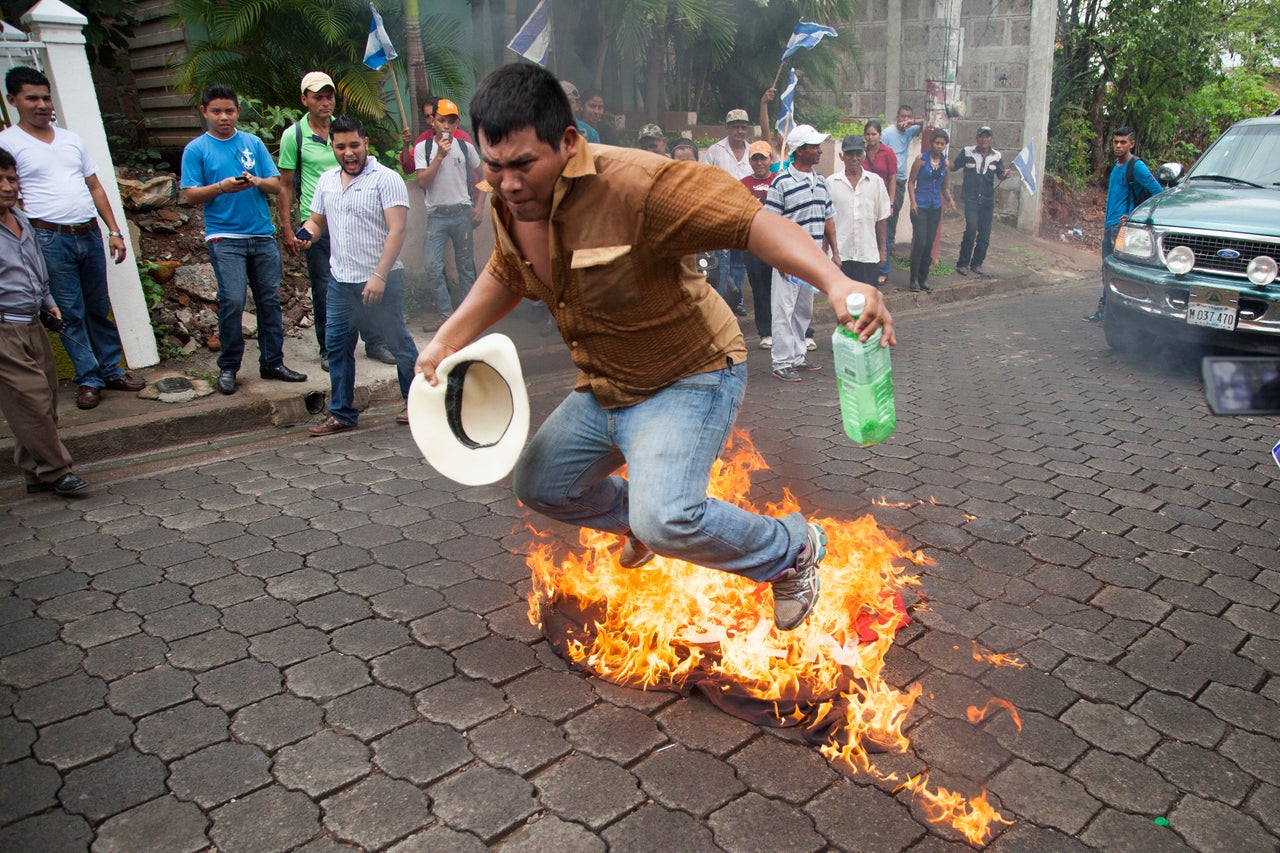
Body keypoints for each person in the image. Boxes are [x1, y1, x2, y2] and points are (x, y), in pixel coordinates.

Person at [414, 63, 894, 631]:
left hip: (690, 376)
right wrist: (446, 340)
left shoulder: (637, 185)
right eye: (495, 167)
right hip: (605, 386)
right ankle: (636, 522)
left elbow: (753, 223)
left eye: (523, 164)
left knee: (668, 517)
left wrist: (836, 282)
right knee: (541, 484)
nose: (509, 182)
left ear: (569, 142)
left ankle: (791, 550)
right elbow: (505, 271)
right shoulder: (509, 202)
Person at [0, 66, 145, 411]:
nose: (41, 104)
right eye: (31, 98)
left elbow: (94, 186)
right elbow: (11, 196)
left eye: (46, 97)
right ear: (13, 100)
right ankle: (89, 378)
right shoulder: (8, 143)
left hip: (88, 233)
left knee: (98, 306)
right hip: (48, 237)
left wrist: (114, 231)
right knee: (71, 312)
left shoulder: (71, 140)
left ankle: (111, 369)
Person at [180, 83, 307, 395]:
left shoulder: (252, 143)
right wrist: (222, 186)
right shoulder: (196, 149)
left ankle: (273, 362)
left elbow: (277, 186)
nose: (224, 117)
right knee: (233, 301)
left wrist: (256, 181)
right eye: (216, 112)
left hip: (261, 234)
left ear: (238, 111)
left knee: (268, 301)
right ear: (204, 112)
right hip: (224, 237)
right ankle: (228, 367)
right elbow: (190, 194)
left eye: (229, 111)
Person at [298, 116, 417, 437]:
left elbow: (397, 229)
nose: (348, 152)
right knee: (337, 346)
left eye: (354, 145)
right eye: (340, 146)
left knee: (398, 343)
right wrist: (305, 234)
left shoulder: (386, 179)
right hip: (341, 282)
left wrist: (378, 275)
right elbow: (316, 221)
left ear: (365, 143)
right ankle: (342, 413)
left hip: (383, 279)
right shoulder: (326, 181)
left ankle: (416, 403)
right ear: (332, 147)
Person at [278, 71, 393, 374]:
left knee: (365, 280)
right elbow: (286, 184)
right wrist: (289, 227)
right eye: (317, 96)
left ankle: (375, 340)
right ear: (304, 100)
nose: (325, 102)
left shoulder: (345, 132)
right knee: (325, 287)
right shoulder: (295, 136)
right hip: (316, 222)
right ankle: (330, 347)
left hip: (353, 221)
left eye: (329, 96)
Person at [0, 148, 87, 495]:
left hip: (34, 321)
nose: (7, 187)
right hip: (4, 327)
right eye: (0, 180)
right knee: (30, 398)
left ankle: (34, 472)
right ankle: (55, 470)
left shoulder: (21, 219)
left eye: (11, 179)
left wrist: (48, 303)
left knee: (45, 399)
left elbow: (36, 269)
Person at [764, 124, 836, 383]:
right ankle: (781, 362)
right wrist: (778, 259)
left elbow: (828, 219)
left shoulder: (821, 181)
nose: (819, 151)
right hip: (788, 259)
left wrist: (834, 253)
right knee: (783, 310)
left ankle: (797, 355)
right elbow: (770, 226)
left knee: (803, 310)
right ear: (800, 151)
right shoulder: (781, 182)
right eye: (814, 147)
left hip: (813, 259)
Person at [416, 98, 487, 332]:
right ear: (433, 122)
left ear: (457, 123)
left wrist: (479, 205)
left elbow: (484, 175)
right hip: (436, 215)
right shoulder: (423, 148)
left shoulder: (465, 147)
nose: (447, 126)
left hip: (462, 213)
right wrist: (439, 157)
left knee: (466, 267)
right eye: (442, 120)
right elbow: (423, 182)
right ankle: (446, 314)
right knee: (433, 265)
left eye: (452, 121)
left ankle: (466, 317)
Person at [1086, 125, 1162, 322]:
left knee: (1117, 273)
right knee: (1107, 270)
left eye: (1123, 142)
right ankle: (1103, 311)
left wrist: (1132, 216)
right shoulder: (1116, 165)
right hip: (1109, 225)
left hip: (1120, 228)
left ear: (1132, 144)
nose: (1118, 146)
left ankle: (1114, 316)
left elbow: (1159, 194)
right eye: (1115, 142)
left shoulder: (1136, 166)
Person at [704, 109, 754, 315]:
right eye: (735, 127)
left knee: (739, 262)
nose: (739, 131)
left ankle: (738, 301)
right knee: (722, 260)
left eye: (743, 127)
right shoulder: (715, 151)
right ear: (727, 128)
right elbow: (704, 179)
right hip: (722, 214)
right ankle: (723, 302)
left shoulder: (754, 152)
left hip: (745, 216)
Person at [829, 135, 890, 287]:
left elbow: (881, 219)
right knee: (843, 305)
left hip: (867, 255)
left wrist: (883, 251)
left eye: (858, 153)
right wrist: (826, 253)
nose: (854, 158)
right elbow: (827, 222)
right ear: (842, 156)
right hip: (840, 256)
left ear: (864, 155)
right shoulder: (831, 183)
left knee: (867, 305)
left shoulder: (876, 182)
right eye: (849, 154)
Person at [952, 126, 1011, 277]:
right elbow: (954, 166)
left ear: (991, 139)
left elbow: (1000, 175)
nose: (984, 140)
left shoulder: (996, 156)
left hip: (987, 199)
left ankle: (977, 263)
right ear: (977, 138)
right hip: (970, 198)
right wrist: (945, 162)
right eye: (981, 136)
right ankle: (963, 263)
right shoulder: (967, 152)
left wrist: (1005, 174)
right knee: (971, 230)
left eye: (987, 137)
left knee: (984, 234)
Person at [881, 104, 925, 284]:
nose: (904, 120)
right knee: (882, 214)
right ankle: (883, 249)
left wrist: (912, 123)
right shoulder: (887, 133)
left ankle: (888, 247)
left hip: (900, 179)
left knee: (893, 213)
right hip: (885, 178)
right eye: (902, 117)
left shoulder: (910, 131)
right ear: (896, 116)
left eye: (908, 117)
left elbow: (927, 123)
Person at [906, 129, 954, 293]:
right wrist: (913, 202)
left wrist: (950, 200)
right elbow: (911, 182)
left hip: (935, 207)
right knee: (920, 242)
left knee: (929, 244)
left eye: (942, 144)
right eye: (936, 143)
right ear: (931, 143)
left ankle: (923, 277)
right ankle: (913, 279)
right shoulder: (921, 160)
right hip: (920, 206)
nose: (939, 146)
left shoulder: (945, 164)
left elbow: (945, 187)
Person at [741, 140, 776, 347]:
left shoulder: (780, 181)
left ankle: (782, 328)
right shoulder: (742, 184)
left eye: (763, 158)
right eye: (755, 159)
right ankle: (766, 332)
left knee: (778, 288)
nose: (759, 163)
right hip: (753, 245)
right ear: (750, 161)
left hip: (776, 244)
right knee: (760, 288)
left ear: (770, 159)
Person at [398, 95, 475, 176]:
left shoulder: (462, 137)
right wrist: (406, 145)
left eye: (434, 115)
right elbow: (409, 168)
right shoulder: (424, 138)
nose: (431, 119)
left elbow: (473, 171)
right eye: (427, 116)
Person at [861, 120, 897, 284]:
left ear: (880, 135)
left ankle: (883, 270)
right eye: (868, 134)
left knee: (883, 234)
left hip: (882, 198)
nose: (871, 137)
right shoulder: (862, 153)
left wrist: (890, 202)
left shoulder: (888, 152)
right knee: (867, 233)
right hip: (865, 198)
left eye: (874, 134)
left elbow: (892, 178)